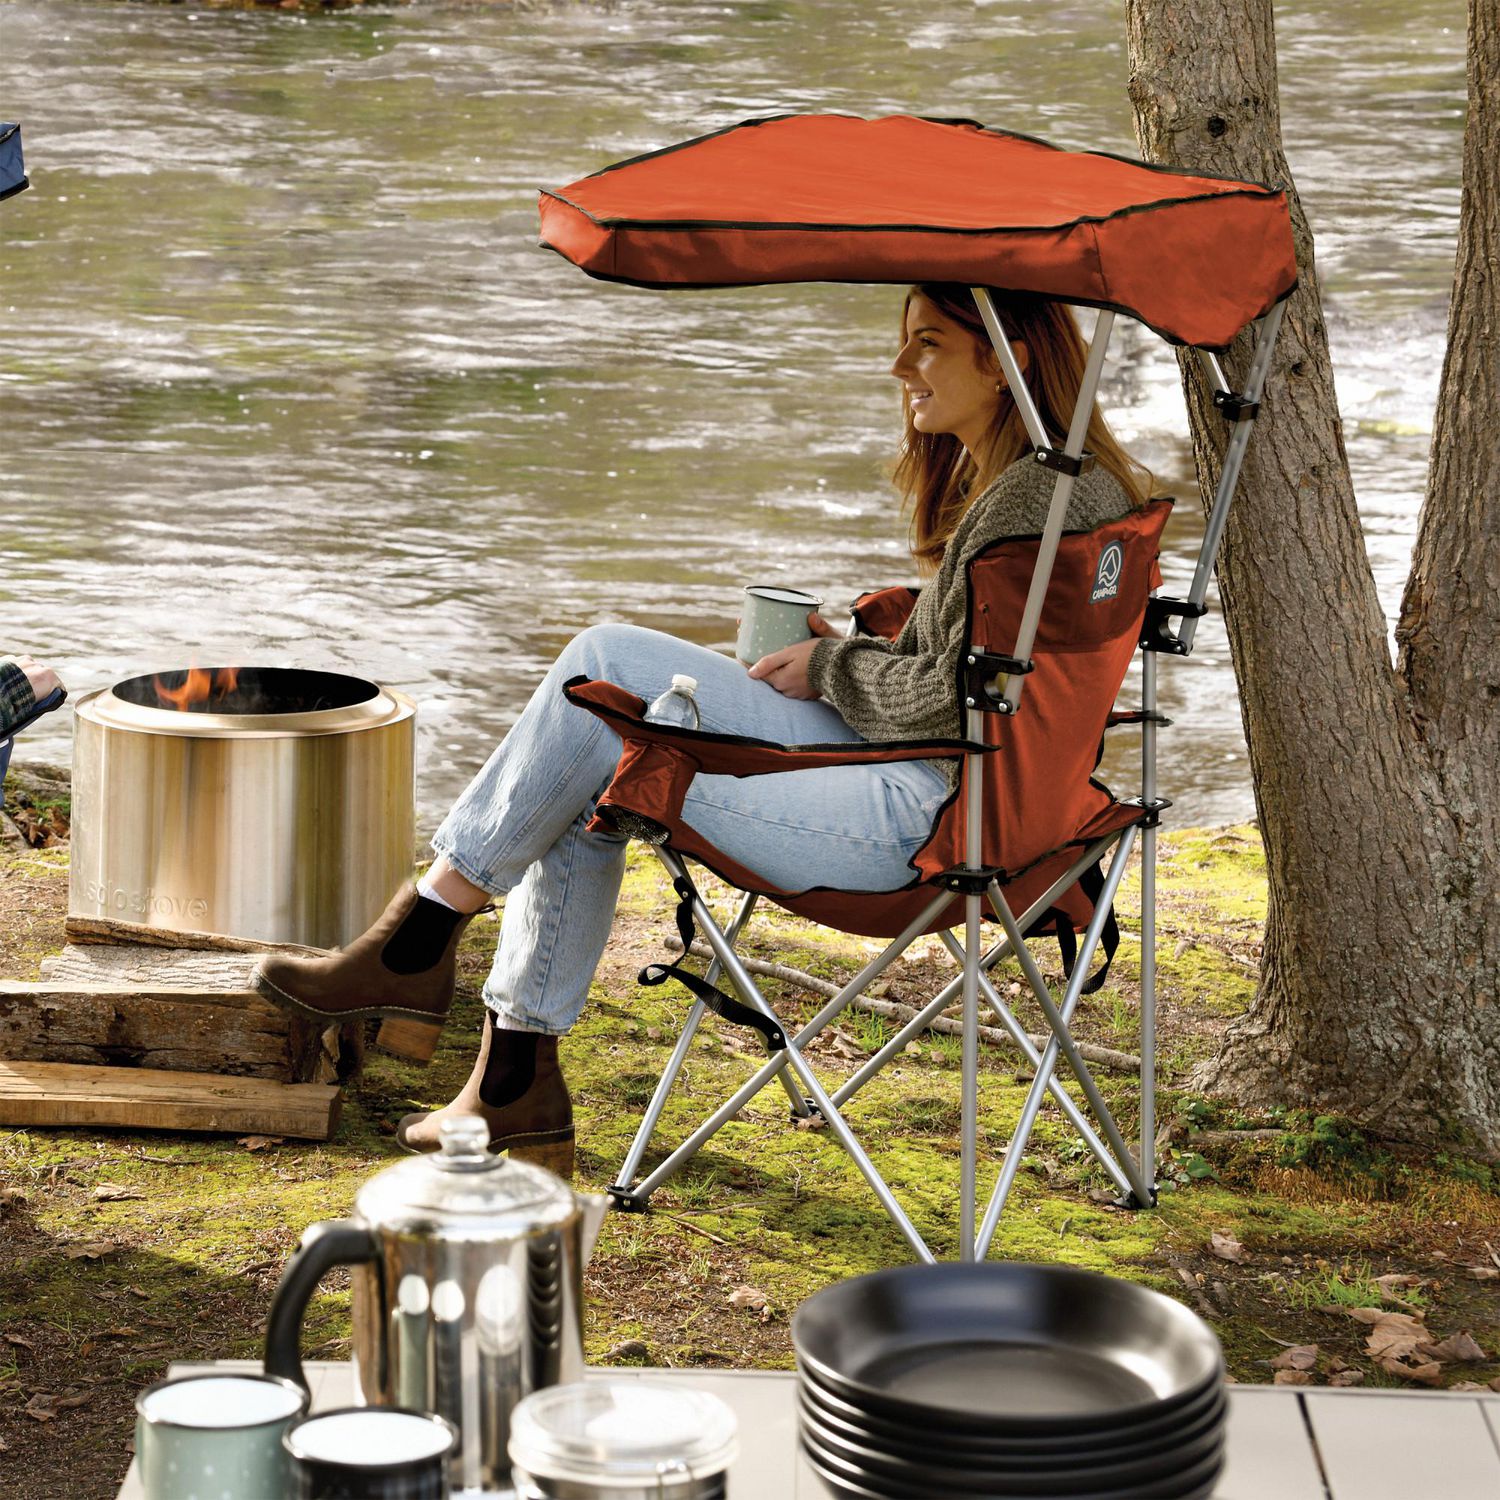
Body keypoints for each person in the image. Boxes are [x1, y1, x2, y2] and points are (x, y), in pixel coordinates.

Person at [251, 284, 1151, 1168]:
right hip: (969, 789)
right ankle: (473, 1027)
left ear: (1007, 360)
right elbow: (985, 685)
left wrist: (830, 667)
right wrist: (846, 657)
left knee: (598, 739)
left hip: (921, 824)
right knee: (604, 666)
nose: (898, 365)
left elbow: (954, 697)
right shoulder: (1069, 490)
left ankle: (437, 973)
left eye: (927, 344)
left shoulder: (1031, 506)